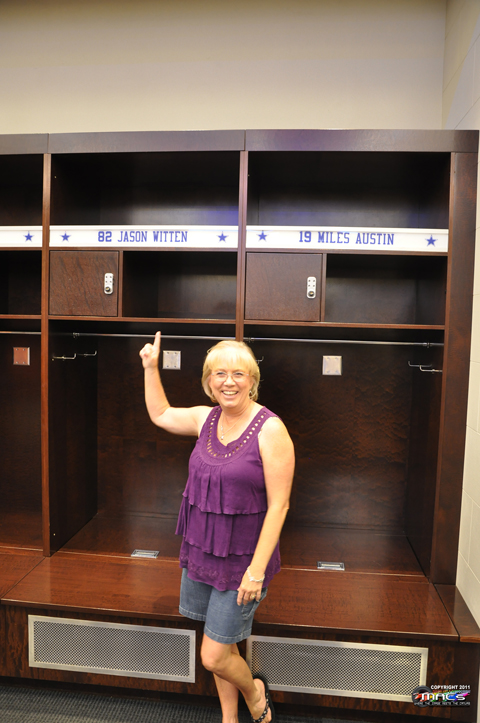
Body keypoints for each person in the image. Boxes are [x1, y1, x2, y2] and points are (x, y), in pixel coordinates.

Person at [139, 332, 294, 723]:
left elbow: (279, 506)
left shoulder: (270, 429)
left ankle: (254, 693)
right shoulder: (205, 418)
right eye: (220, 373)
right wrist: (151, 367)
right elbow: (160, 414)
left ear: (252, 380)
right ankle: (229, 717)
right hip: (203, 551)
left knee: (213, 654)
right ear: (209, 381)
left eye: (238, 374)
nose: (229, 382)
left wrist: (256, 571)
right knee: (223, 644)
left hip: (243, 562)